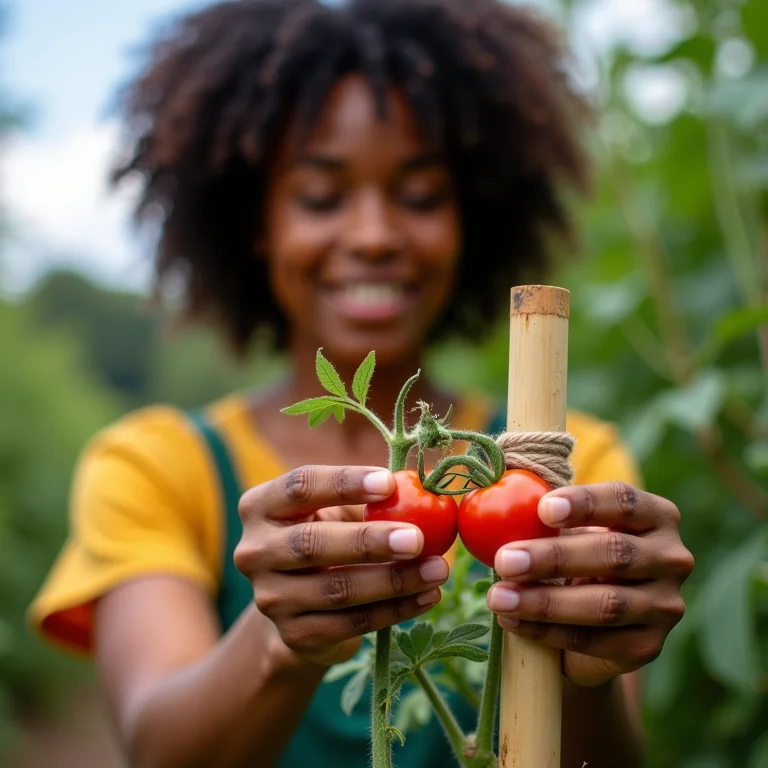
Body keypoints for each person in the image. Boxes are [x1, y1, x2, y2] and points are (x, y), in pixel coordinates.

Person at [29, 1, 694, 766]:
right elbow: (155, 748)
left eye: (420, 196)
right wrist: (276, 640)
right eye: (320, 196)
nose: (375, 235)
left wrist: (590, 662)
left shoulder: (566, 462)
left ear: (470, 220)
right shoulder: (154, 465)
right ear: (257, 222)